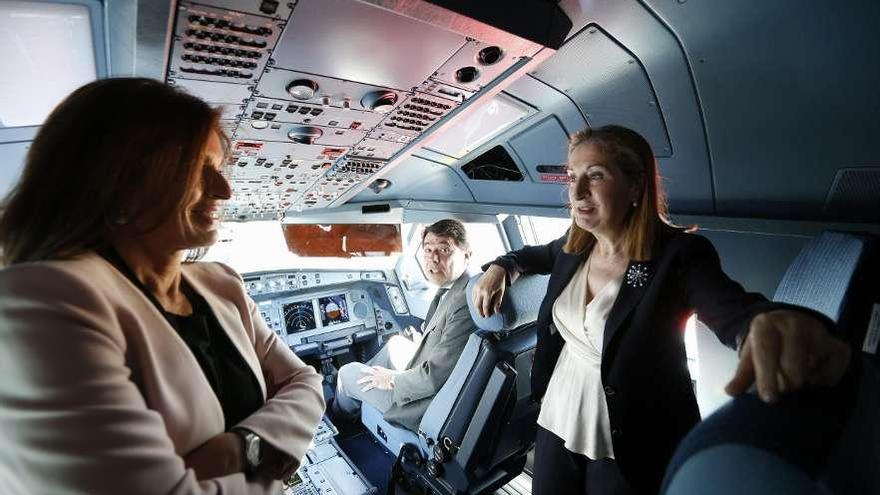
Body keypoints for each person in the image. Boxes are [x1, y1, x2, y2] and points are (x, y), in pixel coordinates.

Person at [471, 125, 852, 494]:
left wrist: (765, 323)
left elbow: (733, 309)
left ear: (635, 185)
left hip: (630, 433)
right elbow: (531, 255)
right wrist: (502, 267)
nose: (578, 191)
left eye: (596, 175)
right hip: (559, 411)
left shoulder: (678, 255)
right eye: (573, 177)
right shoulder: (574, 246)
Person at [0, 78, 325, 494]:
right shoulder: (43, 300)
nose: (223, 190)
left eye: (219, 169)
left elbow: (306, 382)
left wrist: (241, 450)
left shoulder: (221, 284)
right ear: (120, 175)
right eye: (198, 171)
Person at [333, 219, 474, 431]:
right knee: (395, 343)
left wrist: (391, 380)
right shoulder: (455, 289)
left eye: (445, 249)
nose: (433, 259)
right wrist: (423, 340)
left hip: (424, 405)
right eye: (428, 250)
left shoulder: (463, 302)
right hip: (432, 384)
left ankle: (342, 423)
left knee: (347, 372)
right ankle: (364, 390)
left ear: (467, 255)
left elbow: (434, 377)